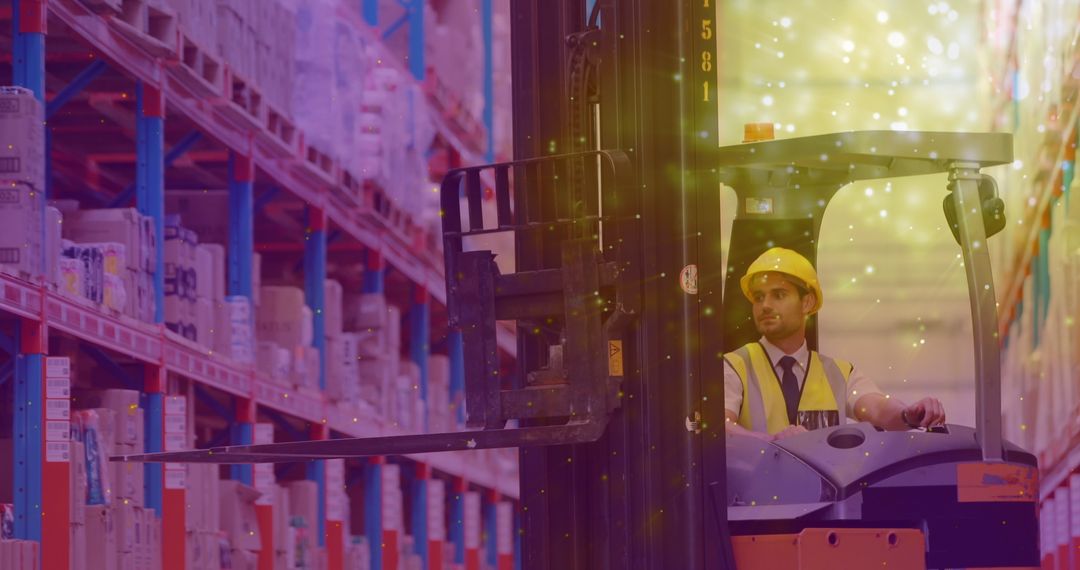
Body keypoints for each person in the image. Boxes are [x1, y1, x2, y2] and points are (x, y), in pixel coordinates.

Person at [723, 247, 946, 441]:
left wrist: (908, 414)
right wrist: (773, 443)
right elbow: (722, 428)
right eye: (759, 297)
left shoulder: (840, 374)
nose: (765, 306)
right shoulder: (734, 366)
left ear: (807, 302)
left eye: (778, 295)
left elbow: (877, 408)